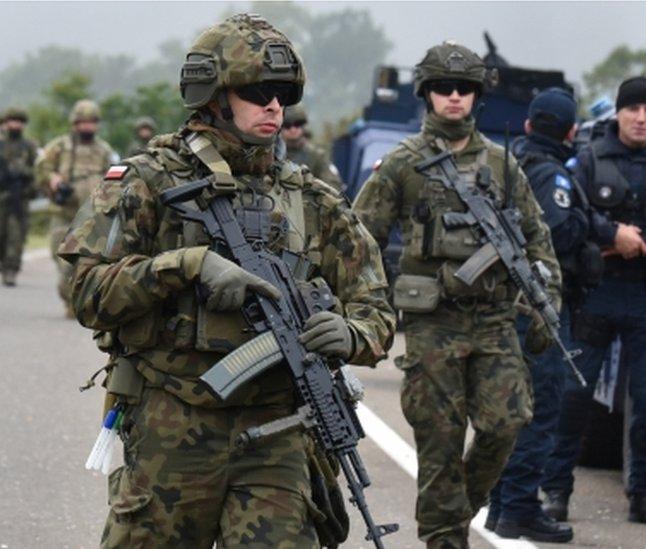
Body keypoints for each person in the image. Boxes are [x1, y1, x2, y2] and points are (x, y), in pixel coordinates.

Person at [57, 13, 396, 548]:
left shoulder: (313, 199)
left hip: (279, 432)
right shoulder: (148, 180)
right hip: (174, 422)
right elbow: (87, 291)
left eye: (283, 93)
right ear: (212, 96)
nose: (274, 106)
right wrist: (182, 266)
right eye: (258, 90)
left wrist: (353, 332)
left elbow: (374, 302)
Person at [352, 40, 562, 549]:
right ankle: (446, 538)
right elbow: (358, 241)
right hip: (433, 324)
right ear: (426, 95)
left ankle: (451, 516)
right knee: (439, 439)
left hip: (492, 321)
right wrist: (368, 306)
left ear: (476, 96)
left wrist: (546, 296)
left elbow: (538, 239)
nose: (454, 98)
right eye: (443, 88)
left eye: (464, 89)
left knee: (505, 423)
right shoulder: (402, 164)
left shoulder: (501, 164)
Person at [540, 76, 646, 528]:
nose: (640, 118)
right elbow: (570, 213)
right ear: (618, 113)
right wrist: (612, 234)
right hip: (597, 292)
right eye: (632, 109)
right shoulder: (590, 160)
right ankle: (555, 491)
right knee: (573, 396)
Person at [486, 87, 611, 543]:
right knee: (539, 410)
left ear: (528, 125)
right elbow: (555, 233)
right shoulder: (551, 175)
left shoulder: (509, 163)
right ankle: (517, 505)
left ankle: (503, 503)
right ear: (571, 131)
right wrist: (589, 226)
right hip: (537, 309)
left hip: (510, 306)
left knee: (510, 410)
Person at [35, 98, 115, 314]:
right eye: (83, 122)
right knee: (63, 262)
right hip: (65, 213)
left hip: (93, 215)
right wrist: (53, 180)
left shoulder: (104, 149)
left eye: (92, 122)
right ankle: (69, 299)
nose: (87, 127)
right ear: (75, 123)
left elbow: (115, 177)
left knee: (90, 262)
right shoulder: (59, 147)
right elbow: (42, 169)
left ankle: (80, 303)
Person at [0, 107, 37, 286]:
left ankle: (11, 270)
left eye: (19, 122)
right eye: (12, 121)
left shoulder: (29, 146)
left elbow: (37, 170)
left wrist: (22, 174)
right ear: (5, 123)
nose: (15, 125)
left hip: (19, 196)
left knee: (16, 235)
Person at [282, 104, 344, 192]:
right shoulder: (273, 153)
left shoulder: (316, 155)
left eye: (297, 124)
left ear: (303, 126)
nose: (293, 129)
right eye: (287, 125)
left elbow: (333, 185)